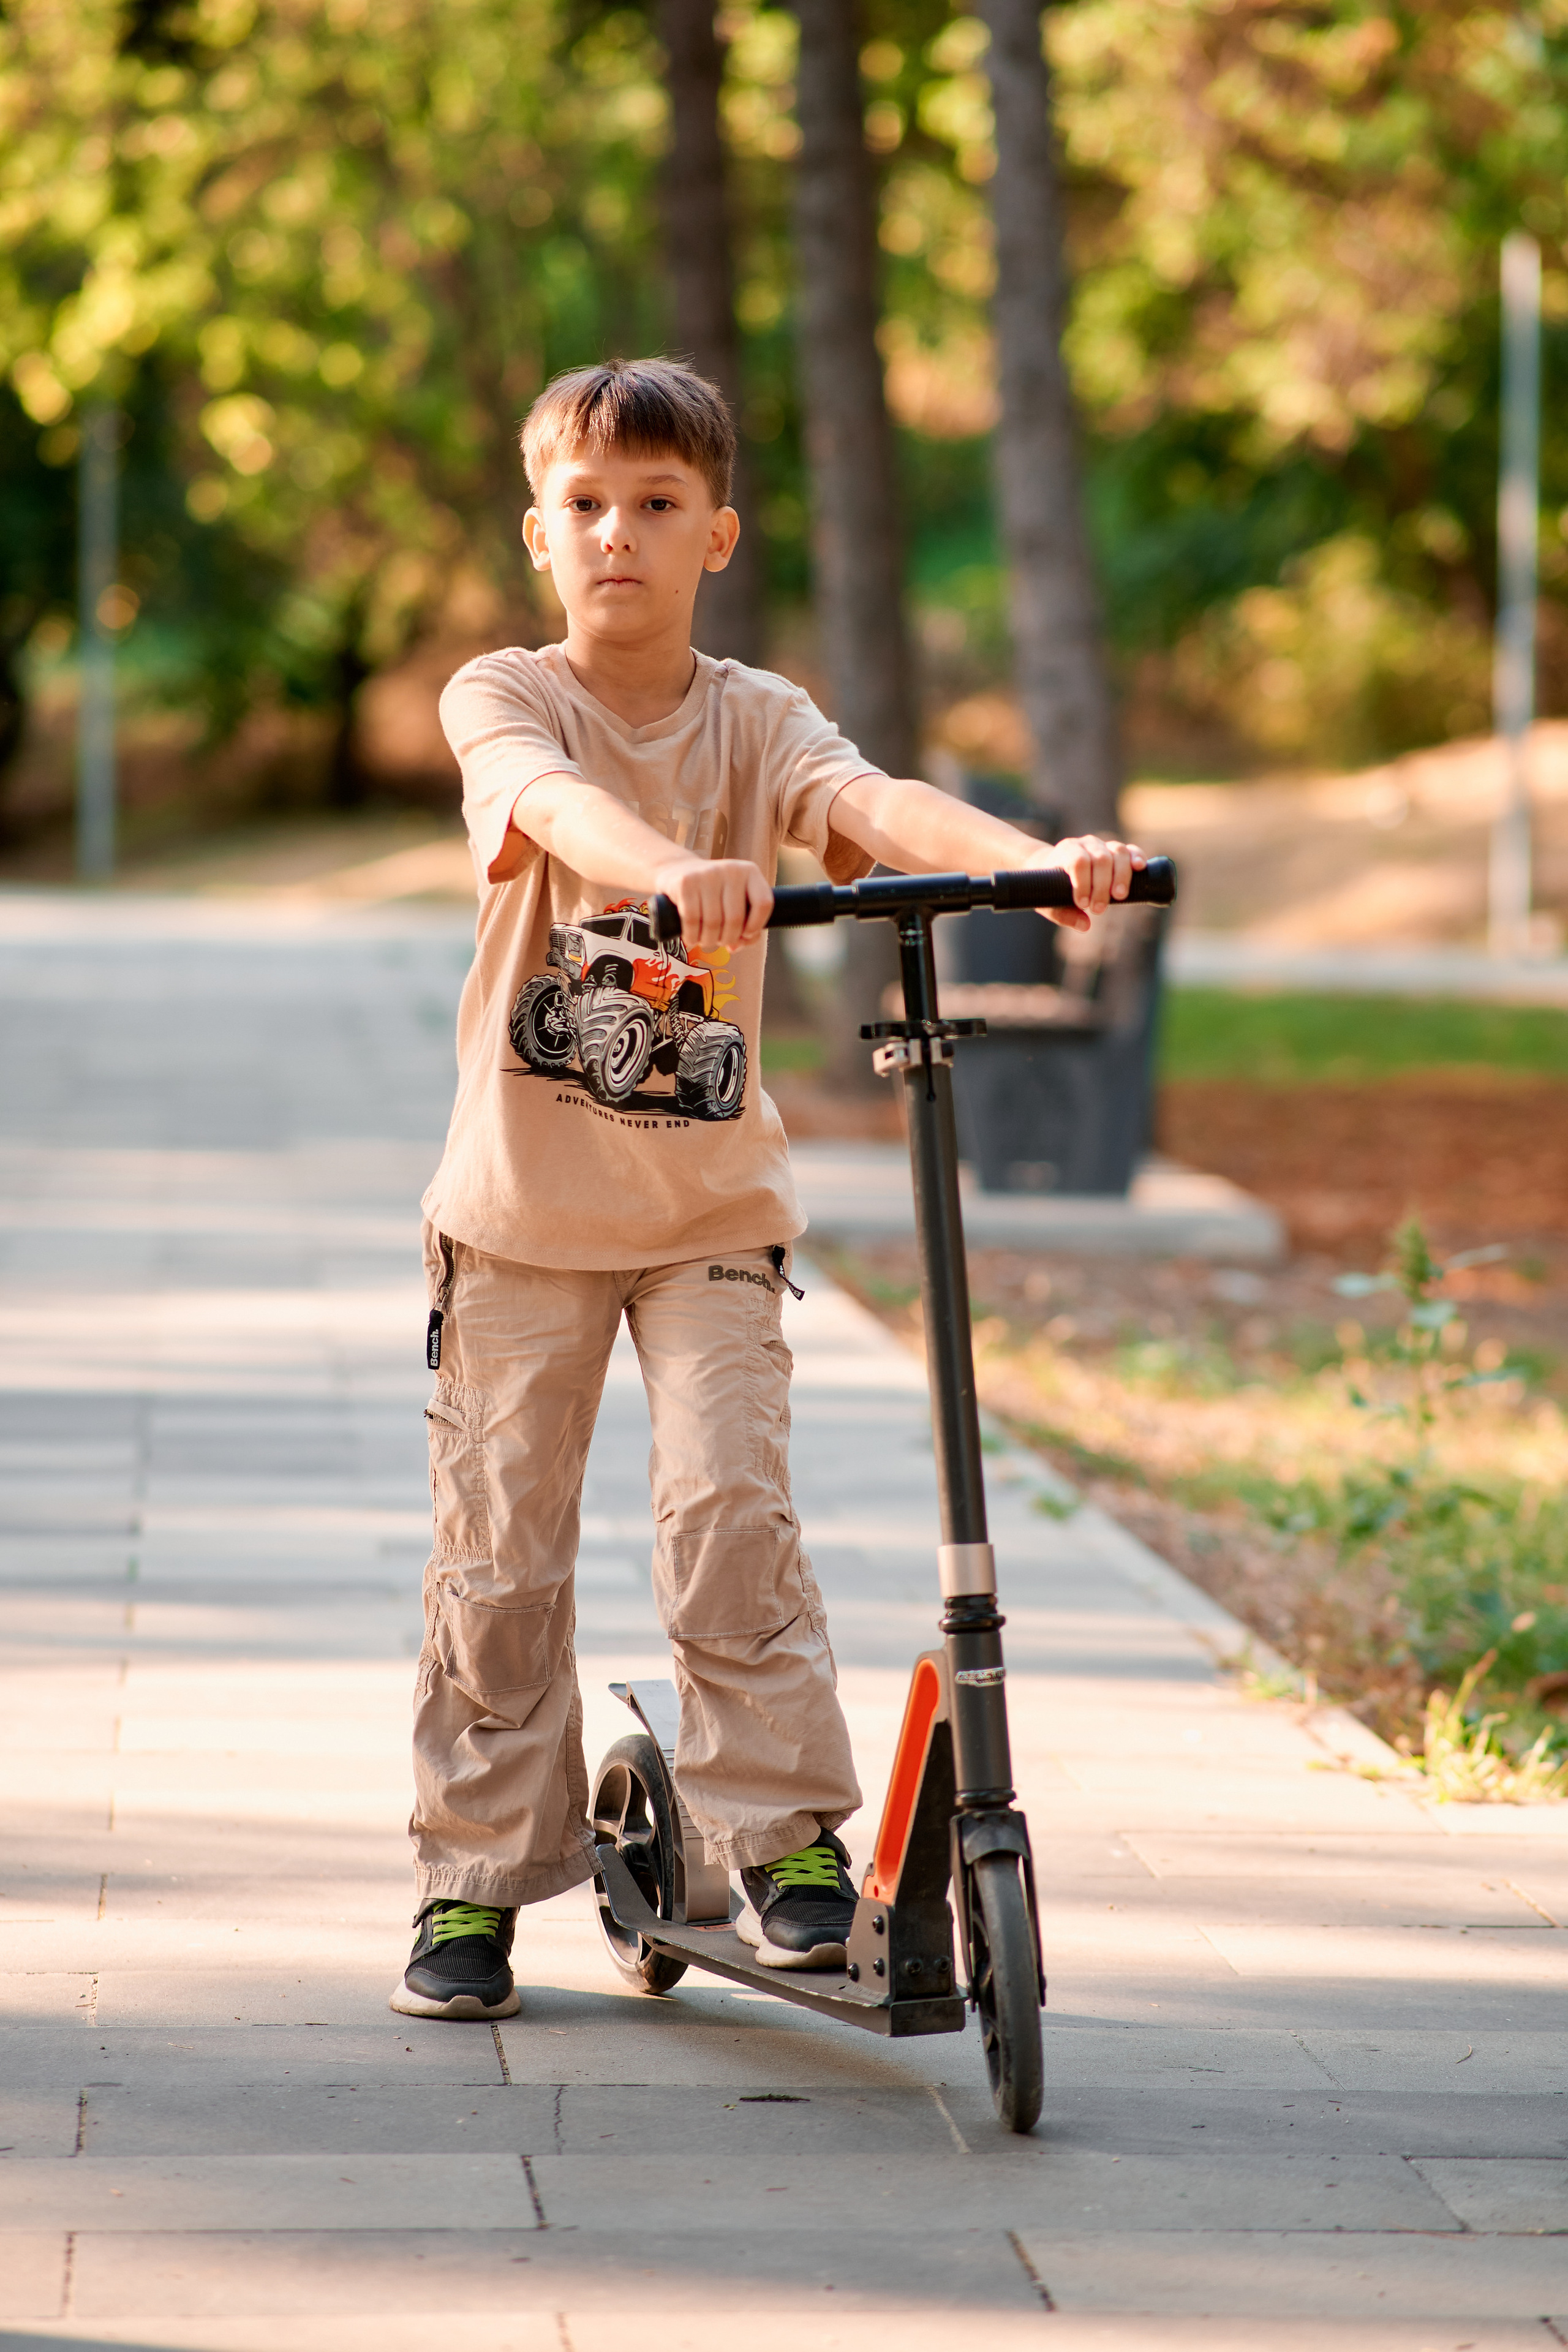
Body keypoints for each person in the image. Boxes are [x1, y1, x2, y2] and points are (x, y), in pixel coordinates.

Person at [393, 356, 1147, 2020]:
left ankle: (787, 1839)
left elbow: (870, 804)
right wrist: (678, 873)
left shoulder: (759, 718)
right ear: (540, 532)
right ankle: (468, 1882)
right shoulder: (502, 696)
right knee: (503, 1555)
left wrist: (1027, 860)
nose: (620, 536)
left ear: (715, 532)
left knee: (729, 1512)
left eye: (658, 506)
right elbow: (552, 808)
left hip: (713, 1215)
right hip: (521, 1212)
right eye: (586, 506)